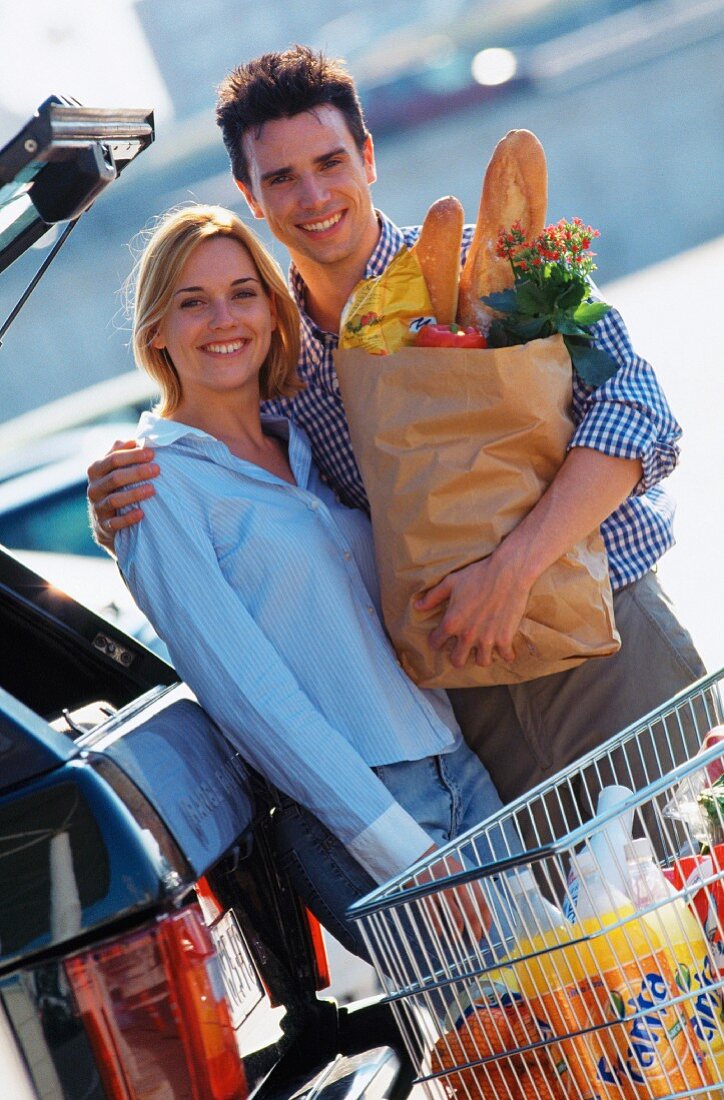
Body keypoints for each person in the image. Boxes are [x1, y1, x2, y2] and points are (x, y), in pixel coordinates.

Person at [88, 46, 705, 813]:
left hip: (610, 640)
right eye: (280, 177)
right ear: (250, 194)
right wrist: (123, 489)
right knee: (580, 930)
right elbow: (218, 468)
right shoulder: (264, 352)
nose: (313, 195)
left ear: (368, 157)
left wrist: (510, 572)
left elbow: (638, 413)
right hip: (462, 700)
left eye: (329, 161)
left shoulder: (505, 269)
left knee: (699, 882)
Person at [113, 202, 517, 961]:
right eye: (191, 302)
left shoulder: (296, 443)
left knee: (574, 1010)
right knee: (507, 1051)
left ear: (271, 308)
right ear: (156, 331)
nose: (222, 318)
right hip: (362, 817)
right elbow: (253, 700)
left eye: (242, 292)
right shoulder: (154, 488)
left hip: (456, 766)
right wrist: (405, 855)